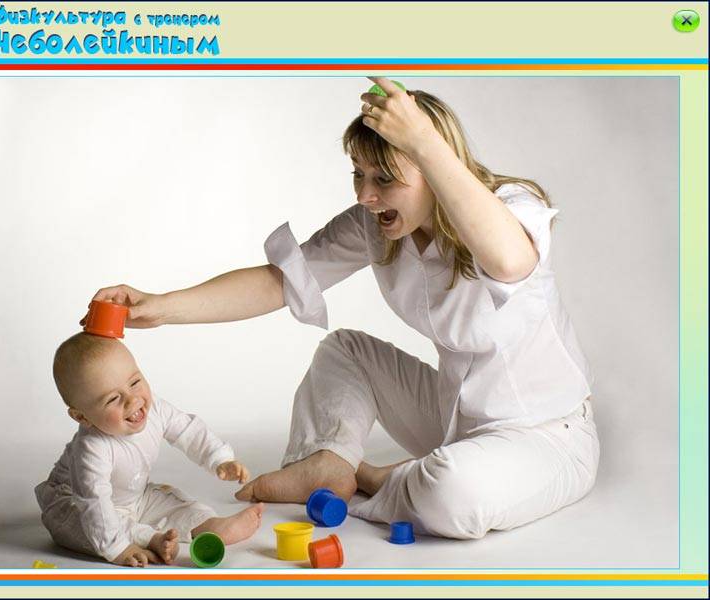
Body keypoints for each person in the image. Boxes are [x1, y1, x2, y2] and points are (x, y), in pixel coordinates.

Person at [86, 77, 599, 540]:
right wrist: (161, 307)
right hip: (454, 417)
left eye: (385, 178)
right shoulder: (377, 226)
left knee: (453, 492)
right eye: (359, 174)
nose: (367, 195)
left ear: (434, 166)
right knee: (344, 351)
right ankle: (330, 463)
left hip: (546, 435)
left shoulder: (511, 206)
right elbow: (277, 282)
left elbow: (508, 261)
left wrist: (422, 139)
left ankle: (375, 476)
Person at [35, 333, 264, 567]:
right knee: (81, 526)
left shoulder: (155, 409)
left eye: (134, 382)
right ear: (82, 417)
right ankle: (149, 539)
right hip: (74, 502)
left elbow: (188, 430)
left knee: (171, 501)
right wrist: (118, 549)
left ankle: (208, 525)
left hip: (136, 497)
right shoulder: (91, 448)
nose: (132, 400)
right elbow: (94, 502)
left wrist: (219, 459)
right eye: (113, 399)